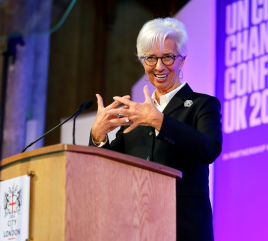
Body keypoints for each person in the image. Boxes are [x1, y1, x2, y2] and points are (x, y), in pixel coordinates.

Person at [89, 17, 222, 240]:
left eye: (168, 57)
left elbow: (210, 149)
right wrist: (98, 135)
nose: (159, 66)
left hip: (185, 229)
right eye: (151, 58)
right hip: (137, 230)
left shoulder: (202, 105)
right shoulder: (136, 115)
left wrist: (160, 121)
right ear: (142, 62)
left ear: (182, 60)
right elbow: (105, 171)